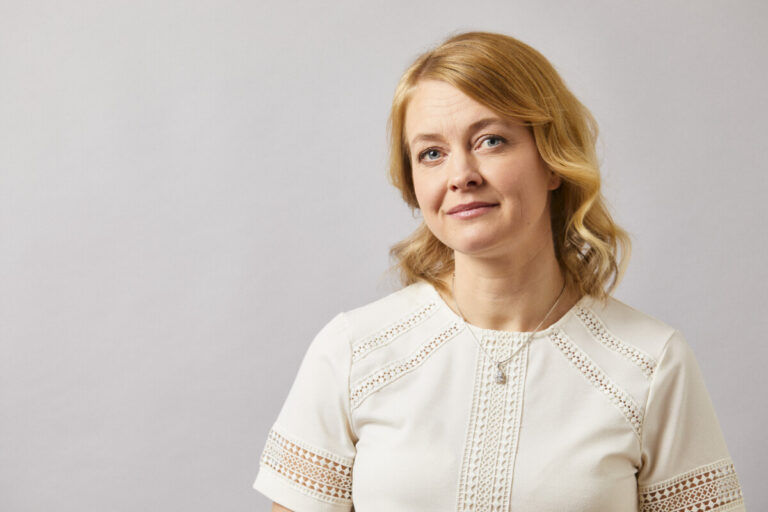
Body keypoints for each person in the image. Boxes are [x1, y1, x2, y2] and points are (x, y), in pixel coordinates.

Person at [253, 31, 745, 511]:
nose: (460, 176)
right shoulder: (352, 353)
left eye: (490, 140)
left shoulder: (650, 364)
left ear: (553, 161)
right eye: (431, 153)